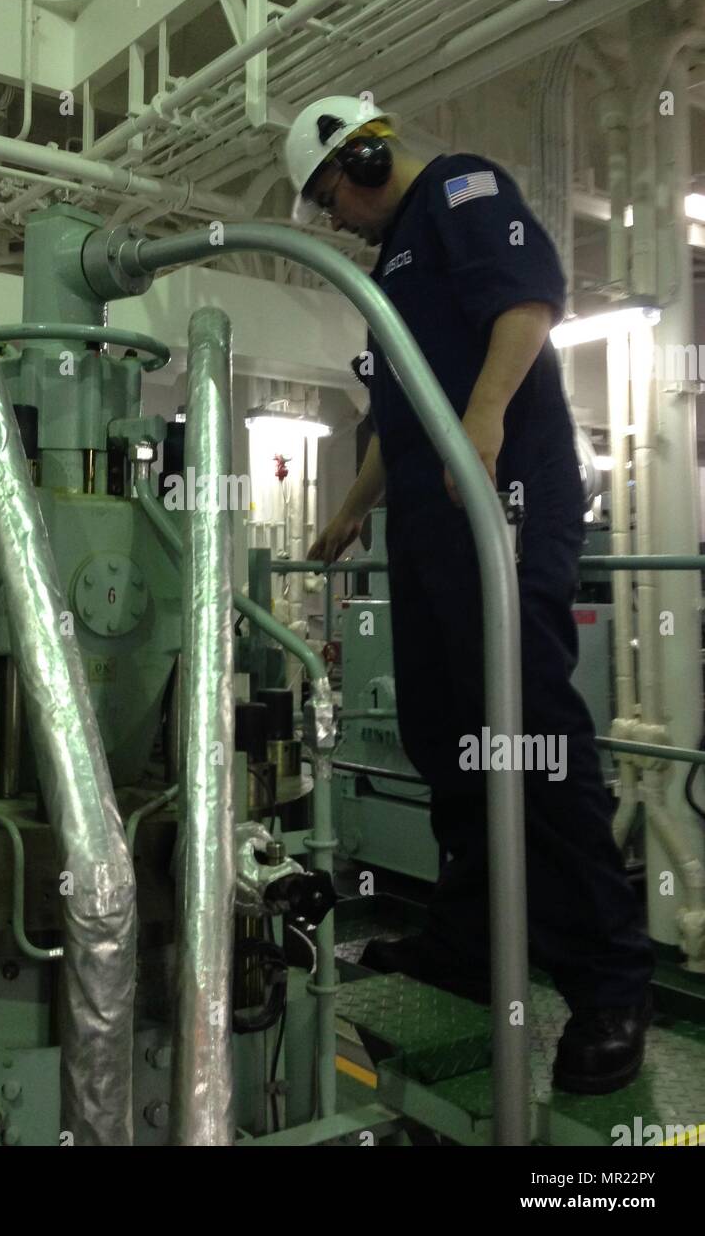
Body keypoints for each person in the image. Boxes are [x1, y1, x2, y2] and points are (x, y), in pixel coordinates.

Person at [288, 95, 655, 1095]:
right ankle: (468, 941)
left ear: (365, 158)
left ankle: (609, 987)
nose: (334, 221)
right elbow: (393, 408)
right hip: (427, 517)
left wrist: (483, 422)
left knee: (527, 729)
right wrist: (353, 507)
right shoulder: (391, 266)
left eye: (330, 198)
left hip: (502, 496)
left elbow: (525, 301)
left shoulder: (460, 187)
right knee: (444, 729)